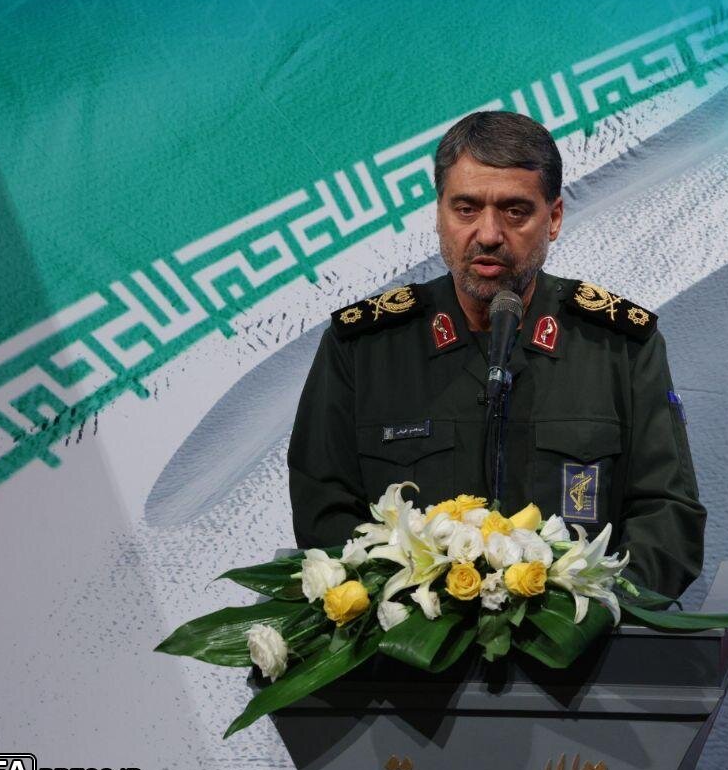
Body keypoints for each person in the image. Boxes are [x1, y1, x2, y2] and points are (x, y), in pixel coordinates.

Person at [288, 111, 705, 598]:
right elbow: (324, 512)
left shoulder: (619, 347)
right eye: (466, 209)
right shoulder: (363, 349)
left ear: (553, 218)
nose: (488, 233)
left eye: (514, 211)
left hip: (576, 640)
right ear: (439, 214)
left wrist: (585, 613)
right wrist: (417, 608)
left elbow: (668, 517)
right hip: (410, 638)